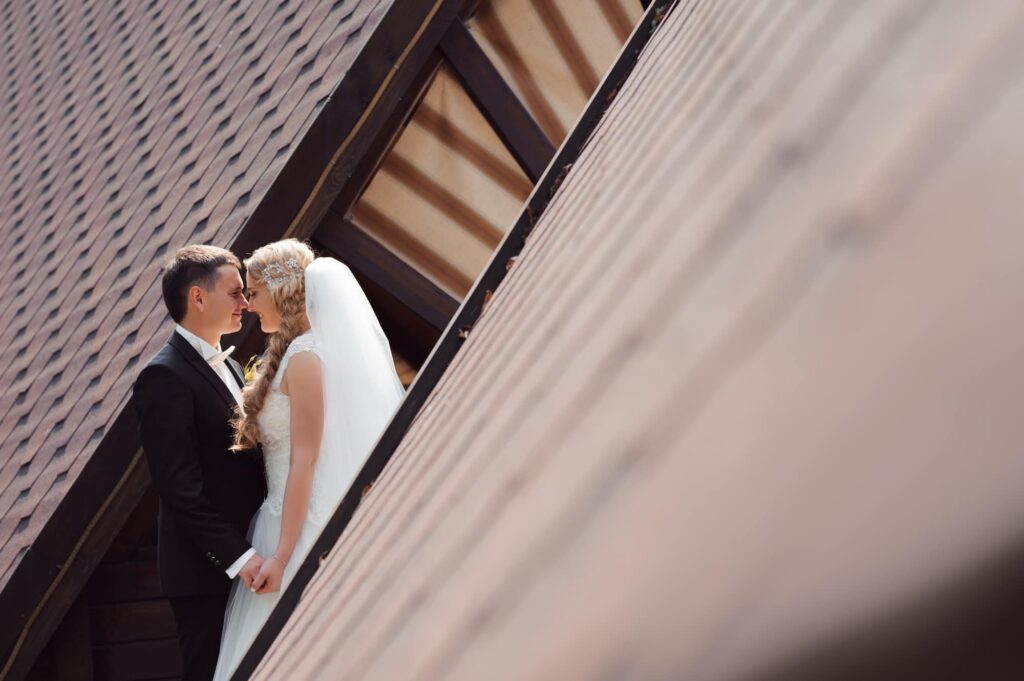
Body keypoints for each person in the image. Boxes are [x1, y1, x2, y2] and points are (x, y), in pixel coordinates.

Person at [213, 239, 405, 680]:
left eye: (253, 292)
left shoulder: (305, 358)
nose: (249, 304)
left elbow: (306, 459)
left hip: (300, 528)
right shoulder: (288, 353)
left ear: (280, 291)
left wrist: (282, 557)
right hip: (280, 519)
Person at [132, 245, 267, 681]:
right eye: (235, 292)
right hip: (206, 573)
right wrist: (239, 557)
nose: (245, 302)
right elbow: (179, 489)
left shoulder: (230, 367)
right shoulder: (163, 376)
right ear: (198, 297)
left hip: (254, 552)